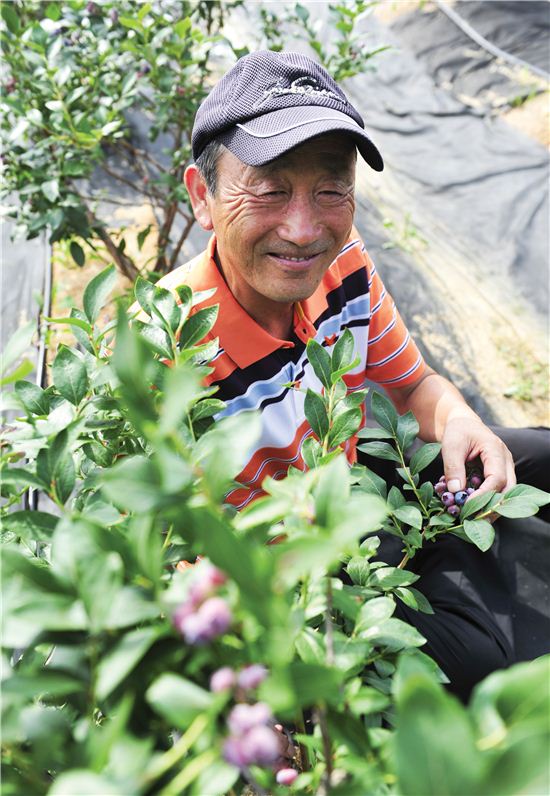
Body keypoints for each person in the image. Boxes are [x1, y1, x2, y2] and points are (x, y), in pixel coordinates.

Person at [156, 50, 548, 700]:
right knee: (473, 649)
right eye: (270, 188)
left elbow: (416, 386)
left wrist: (460, 422)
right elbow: (179, 569)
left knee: (531, 450)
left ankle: (444, 541)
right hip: (290, 566)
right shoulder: (167, 348)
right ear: (202, 197)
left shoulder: (344, 265)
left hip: (358, 477)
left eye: (331, 188)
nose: (305, 229)